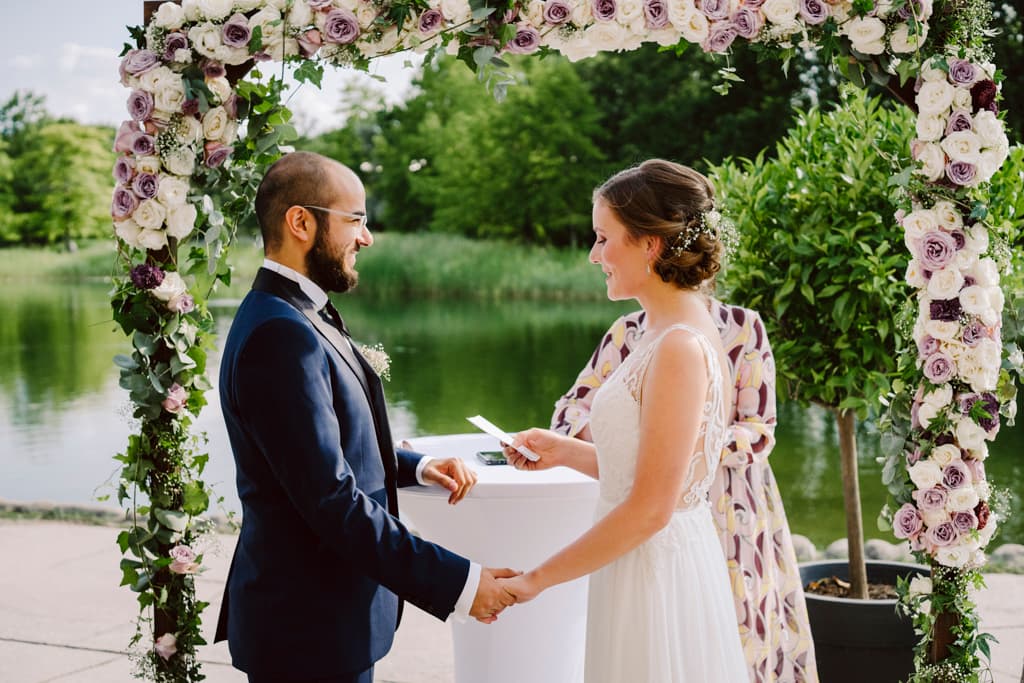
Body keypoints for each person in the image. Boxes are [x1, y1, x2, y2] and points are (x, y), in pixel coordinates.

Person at [214, 151, 516, 683]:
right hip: (306, 630)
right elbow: (329, 498)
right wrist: (463, 584)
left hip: (328, 622)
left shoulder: (298, 311)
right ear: (301, 222)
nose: (367, 237)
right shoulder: (279, 334)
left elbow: (325, 449)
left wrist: (418, 468)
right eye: (355, 219)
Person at [499, 159, 748, 682]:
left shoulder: (679, 345)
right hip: (637, 562)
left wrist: (537, 580)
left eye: (602, 238)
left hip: (654, 573)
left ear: (649, 244)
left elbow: (653, 507)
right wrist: (564, 451)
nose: (595, 255)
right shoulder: (662, 330)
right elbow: (655, 473)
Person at [551, 303, 819, 682]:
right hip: (641, 501)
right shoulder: (628, 331)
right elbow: (568, 413)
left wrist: (684, 442)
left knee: (741, 629)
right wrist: (635, 442)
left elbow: (759, 429)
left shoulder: (743, 327)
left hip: (733, 505)